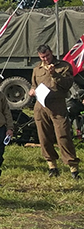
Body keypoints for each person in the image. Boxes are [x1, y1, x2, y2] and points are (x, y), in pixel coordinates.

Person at [30, 44, 80, 178]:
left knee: (63, 135)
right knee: (44, 137)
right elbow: (34, 85)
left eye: (47, 56)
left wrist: (54, 74)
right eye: (42, 57)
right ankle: (52, 166)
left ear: (51, 53)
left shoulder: (63, 66)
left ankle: (73, 167)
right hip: (41, 106)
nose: (45, 59)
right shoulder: (37, 69)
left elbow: (67, 84)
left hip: (57, 105)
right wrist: (32, 91)